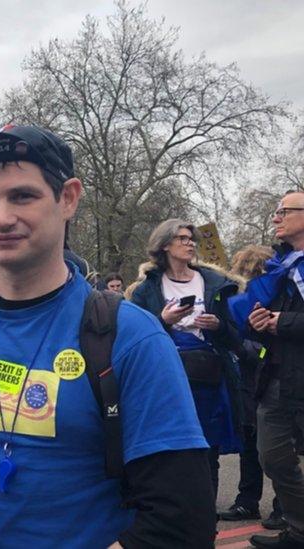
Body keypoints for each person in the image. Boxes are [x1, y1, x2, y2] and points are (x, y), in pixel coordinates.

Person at [0, 124, 215, 547]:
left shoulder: (131, 336)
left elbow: (181, 518)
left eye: (22, 196)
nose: (1, 218)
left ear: (67, 198)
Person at [127, 219, 243, 500]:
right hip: (166, 378)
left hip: (209, 378)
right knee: (172, 450)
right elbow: (131, 337)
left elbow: (236, 336)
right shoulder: (146, 290)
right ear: (164, 244)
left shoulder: (216, 284)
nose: (190, 243)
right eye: (182, 238)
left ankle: (206, 520)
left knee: (208, 450)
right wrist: (163, 321)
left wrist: (217, 325)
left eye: (192, 239)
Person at [244, 191, 304, 549]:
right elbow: (267, 319)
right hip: (277, 378)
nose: (275, 217)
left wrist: (283, 323)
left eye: (284, 211)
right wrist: (257, 320)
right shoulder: (280, 267)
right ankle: (299, 530)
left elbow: (287, 322)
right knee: (273, 457)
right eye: (275, 211)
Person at [219, 245, 284, 525]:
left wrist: (243, 348)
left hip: (261, 371)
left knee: (269, 446)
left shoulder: (264, 298)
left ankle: (269, 502)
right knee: (255, 442)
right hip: (251, 377)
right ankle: (255, 502)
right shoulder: (241, 297)